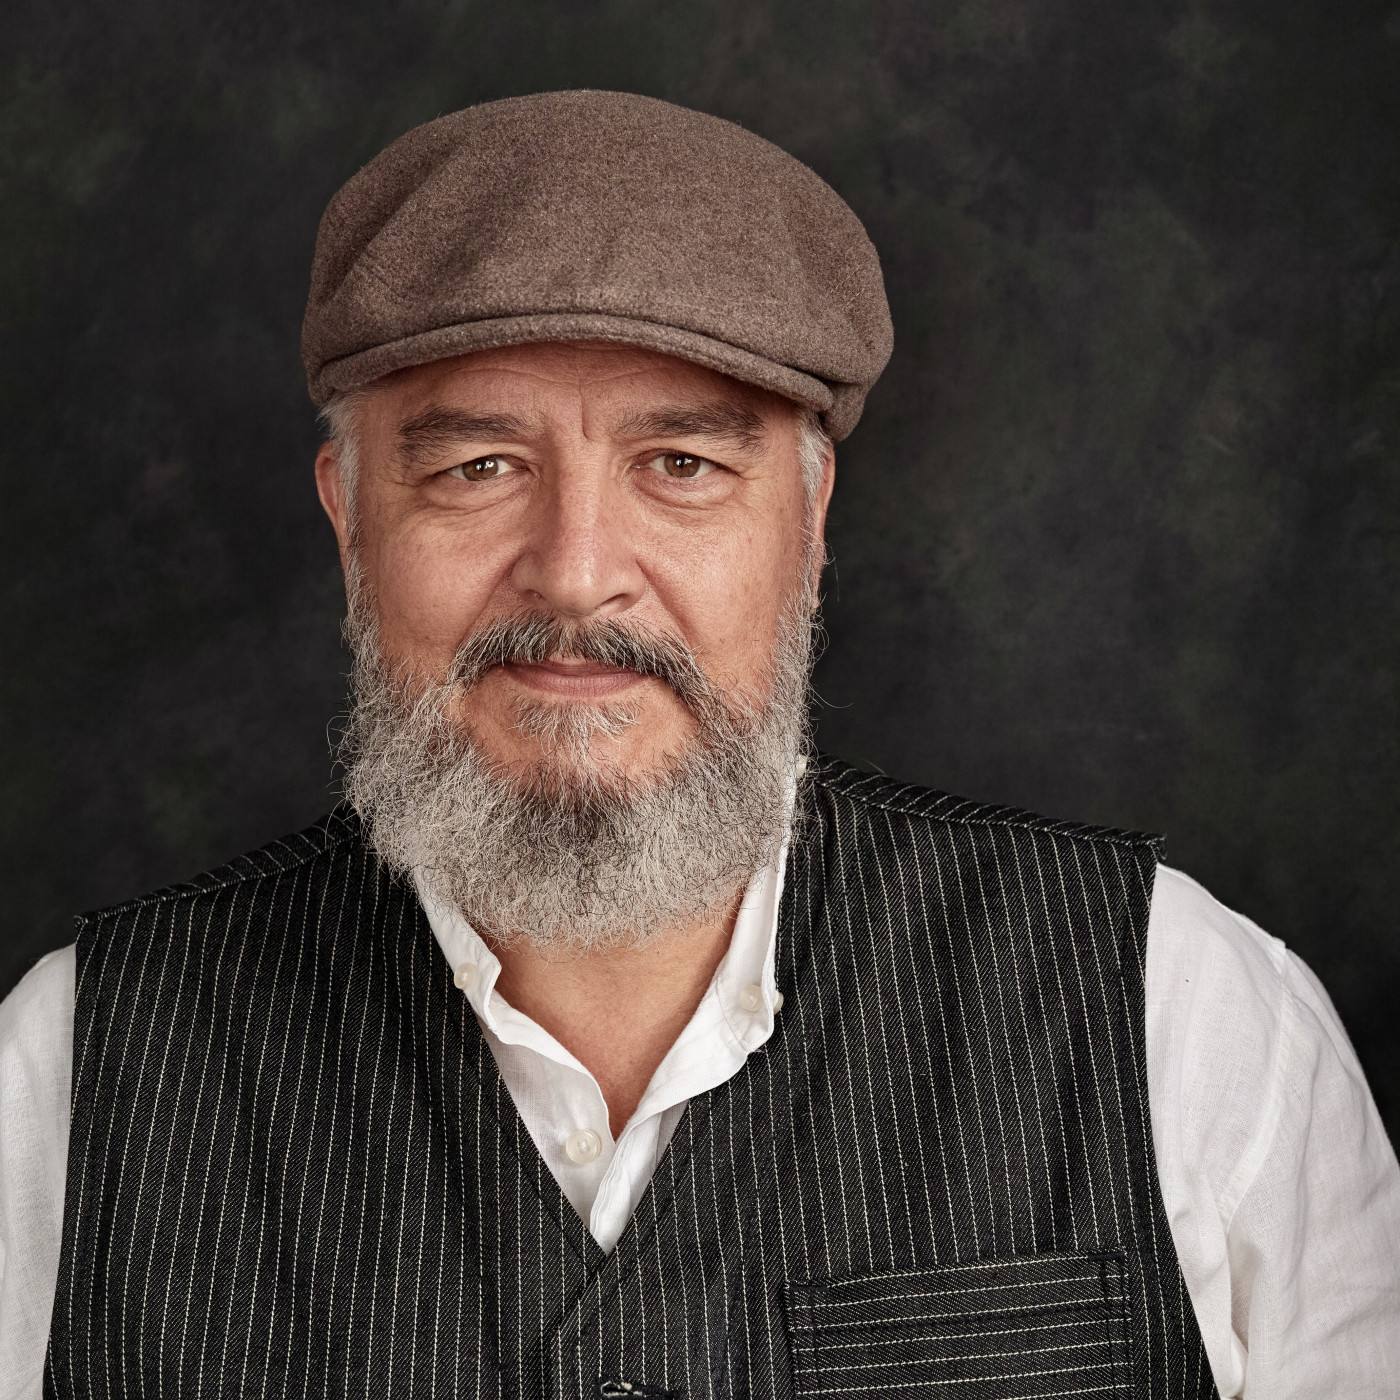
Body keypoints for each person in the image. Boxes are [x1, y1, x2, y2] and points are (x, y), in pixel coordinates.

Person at [0, 89, 1396, 1400]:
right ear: (350, 520)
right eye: (479, 467)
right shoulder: (72, 1074)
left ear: (811, 518)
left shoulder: (1184, 1017)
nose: (575, 574)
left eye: (682, 466)